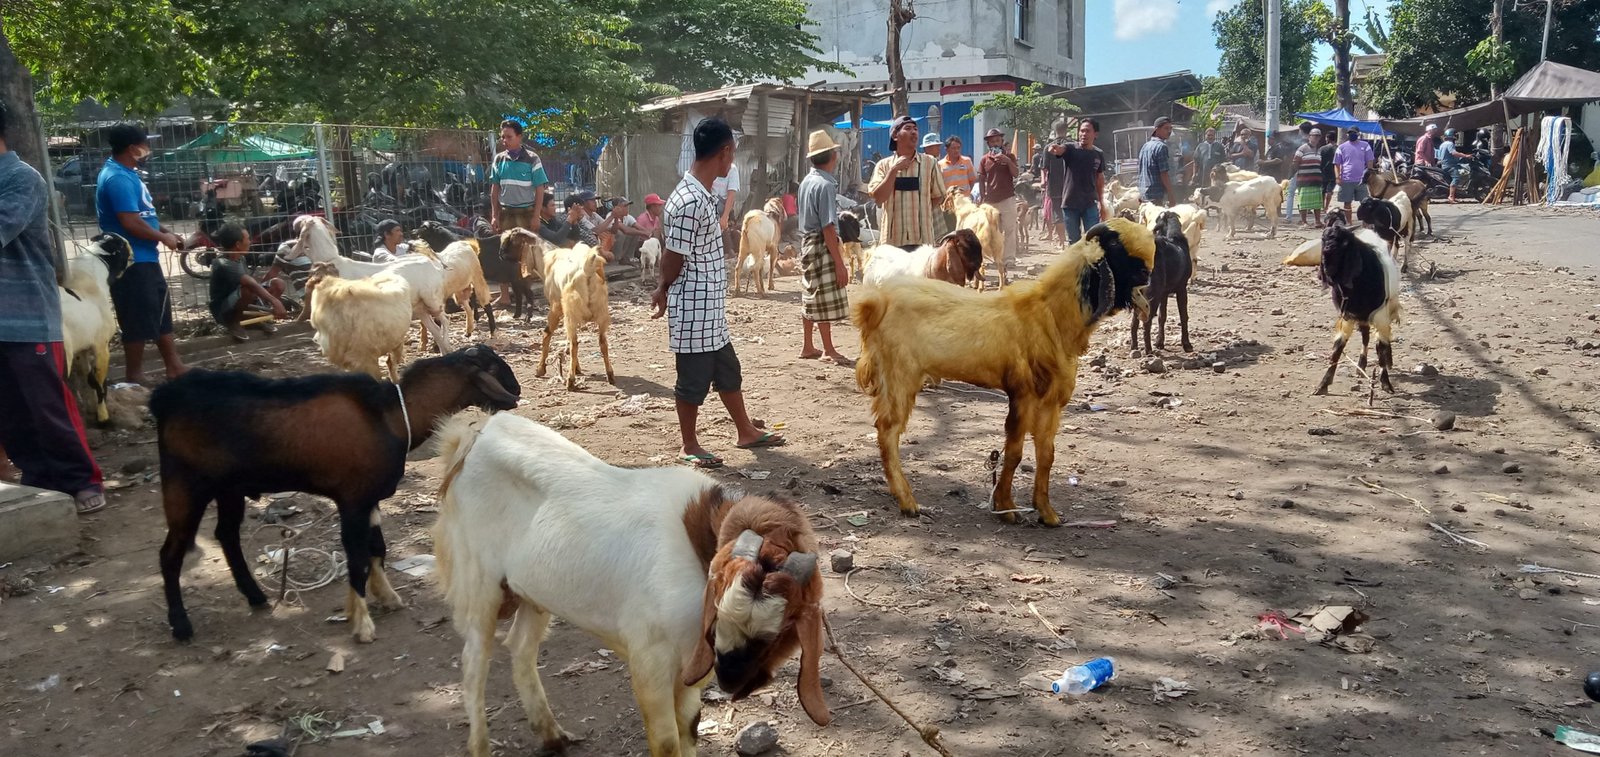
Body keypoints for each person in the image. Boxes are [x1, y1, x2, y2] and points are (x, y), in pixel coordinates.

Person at [651, 117, 785, 469]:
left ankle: (745, 430)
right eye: (733, 154)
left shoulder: (699, 193)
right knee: (693, 379)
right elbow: (673, 254)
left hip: (709, 304)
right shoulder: (690, 200)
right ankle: (689, 444)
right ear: (724, 153)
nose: (732, 162)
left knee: (727, 370)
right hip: (694, 304)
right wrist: (663, 288)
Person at [0, 97, 106, 514]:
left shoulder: (21, 178)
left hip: (26, 316)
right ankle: (39, 479)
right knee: (10, 410)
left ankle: (82, 479)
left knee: (47, 405)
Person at [95, 123, 187, 385]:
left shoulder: (128, 173)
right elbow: (130, 222)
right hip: (130, 260)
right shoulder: (117, 178)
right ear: (132, 148)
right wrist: (163, 238)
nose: (148, 149)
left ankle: (174, 366)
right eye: (145, 144)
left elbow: (144, 215)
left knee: (159, 311)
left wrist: (167, 232)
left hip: (145, 256)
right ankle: (134, 375)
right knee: (136, 316)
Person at [795, 130, 852, 366]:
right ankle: (828, 349)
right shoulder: (826, 185)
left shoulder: (806, 182)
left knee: (810, 292)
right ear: (832, 156)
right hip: (821, 242)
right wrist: (839, 262)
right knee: (824, 295)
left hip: (807, 241)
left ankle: (808, 345)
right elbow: (828, 227)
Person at [867, 116, 945, 250]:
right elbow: (879, 198)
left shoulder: (930, 163)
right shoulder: (883, 166)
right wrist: (894, 170)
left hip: (922, 241)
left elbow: (939, 196)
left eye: (915, 129)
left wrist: (921, 210)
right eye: (908, 128)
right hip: (892, 242)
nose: (914, 132)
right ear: (895, 136)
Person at [208, 224, 287, 342]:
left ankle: (254, 318)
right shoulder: (223, 264)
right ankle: (233, 323)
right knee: (248, 290)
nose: (250, 241)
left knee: (278, 284)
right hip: (223, 310)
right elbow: (249, 283)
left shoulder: (241, 259)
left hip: (240, 299)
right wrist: (275, 301)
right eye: (247, 239)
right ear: (238, 245)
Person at [1053, 118, 1108, 244]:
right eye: (1081, 131)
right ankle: (1077, 264)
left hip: (1090, 203)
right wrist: (1056, 149)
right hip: (1070, 204)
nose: (1084, 134)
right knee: (1074, 242)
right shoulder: (1071, 148)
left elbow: (1099, 178)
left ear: (1095, 134)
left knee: (1093, 240)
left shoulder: (1098, 154)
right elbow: (1061, 150)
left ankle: (1091, 264)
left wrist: (1101, 203)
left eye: (1087, 131)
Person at [489, 119, 548, 235]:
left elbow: (540, 189)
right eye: (502, 137)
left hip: (527, 214)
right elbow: (494, 189)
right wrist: (494, 216)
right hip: (506, 214)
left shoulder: (532, 159)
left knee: (527, 249)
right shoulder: (499, 160)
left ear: (519, 137)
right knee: (507, 249)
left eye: (509, 137)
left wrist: (536, 216)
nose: (505, 140)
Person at [977, 127, 1019, 266]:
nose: (995, 143)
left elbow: (1016, 173)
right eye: (992, 141)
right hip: (991, 200)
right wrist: (982, 197)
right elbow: (981, 179)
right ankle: (993, 257)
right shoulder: (984, 159)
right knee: (992, 231)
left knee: (1010, 229)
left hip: (1007, 197)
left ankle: (1009, 258)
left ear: (1002, 141)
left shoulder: (1009, 156)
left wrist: (1007, 160)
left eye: (997, 140)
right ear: (988, 144)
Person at [1041, 119, 1072, 244]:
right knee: (1071, 212)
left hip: (1054, 185)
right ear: (1066, 130)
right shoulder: (1073, 145)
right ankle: (1071, 241)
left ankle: (1062, 242)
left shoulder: (1048, 147)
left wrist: (1043, 182)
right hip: (1071, 185)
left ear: (1055, 131)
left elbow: (1044, 168)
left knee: (1058, 213)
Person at [1333, 127, 1376, 213]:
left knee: (1365, 202)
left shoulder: (1365, 146)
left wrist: (1369, 175)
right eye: (1350, 133)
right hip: (1346, 179)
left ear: (1358, 134)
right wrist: (1337, 177)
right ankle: (1349, 223)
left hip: (1361, 180)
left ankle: (1366, 222)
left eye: (1354, 132)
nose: (1352, 134)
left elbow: (1370, 161)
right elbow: (1337, 164)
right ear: (1347, 135)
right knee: (1347, 203)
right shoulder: (1341, 147)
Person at [1138, 116, 1175, 206]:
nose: (1169, 131)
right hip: (1156, 195)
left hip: (1143, 193)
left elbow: (1140, 170)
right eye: (1166, 128)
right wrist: (1171, 194)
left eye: (1170, 128)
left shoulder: (1145, 146)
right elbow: (1164, 173)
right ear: (1156, 130)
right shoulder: (1161, 147)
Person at [1293, 129, 1327, 227]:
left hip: (1316, 180)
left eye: (1318, 136)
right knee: (1303, 202)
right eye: (1314, 135)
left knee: (1317, 203)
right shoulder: (1302, 149)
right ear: (1309, 137)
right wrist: (1302, 172)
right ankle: (1304, 222)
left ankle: (1317, 221)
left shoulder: (1319, 150)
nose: (1316, 137)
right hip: (1304, 180)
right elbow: (1295, 163)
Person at [602, 196, 650, 264]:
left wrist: (649, 233)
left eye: (627, 206)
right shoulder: (611, 216)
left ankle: (629, 257)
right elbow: (626, 230)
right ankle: (616, 260)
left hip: (620, 246)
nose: (627, 208)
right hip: (608, 246)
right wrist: (644, 233)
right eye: (624, 206)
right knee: (620, 233)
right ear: (616, 208)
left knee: (634, 232)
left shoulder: (628, 217)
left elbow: (640, 227)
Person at [1438, 128, 1475, 204]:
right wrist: (1465, 156)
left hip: (1444, 165)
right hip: (1450, 165)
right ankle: (1451, 196)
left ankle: (1453, 196)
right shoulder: (1450, 144)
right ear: (1453, 135)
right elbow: (1453, 153)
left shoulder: (1442, 144)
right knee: (1456, 178)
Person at [712, 136, 742, 232]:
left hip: (722, 205)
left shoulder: (732, 169)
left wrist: (725, 217)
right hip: (711, 202)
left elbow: (731, 194)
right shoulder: (711, 165)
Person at [1319, 125, 1339, 211]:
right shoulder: (1338, 149)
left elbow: (1318, 160)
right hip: (1334, 172)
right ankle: (1326, 207)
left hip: (1323, 172)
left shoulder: (1322, 149)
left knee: (1322, 190)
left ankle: (1321, 206)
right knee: (1330, 190)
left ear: (1328, 138)